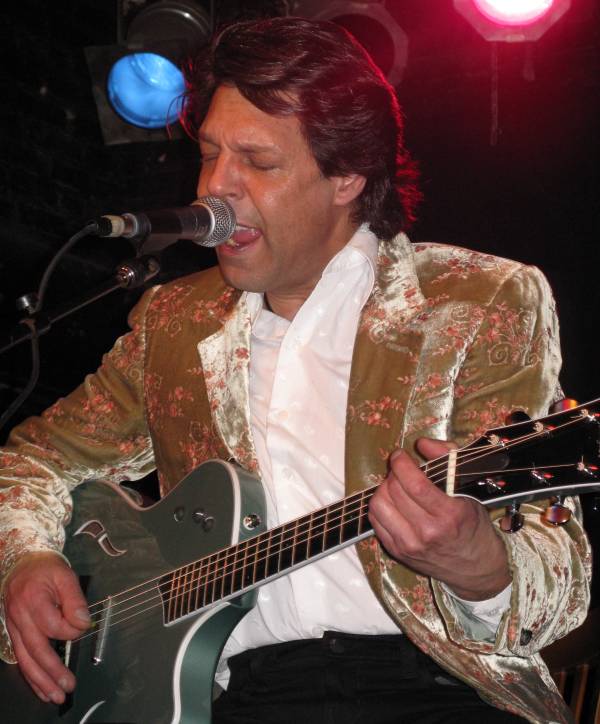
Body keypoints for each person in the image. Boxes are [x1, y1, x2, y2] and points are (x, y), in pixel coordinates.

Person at [0, 16, 591, 724]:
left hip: (434, 687)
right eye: (211, 152)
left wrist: (482, 567)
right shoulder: (175, 324)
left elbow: (559, 572)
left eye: (259, 161)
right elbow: (31, 460)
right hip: (230, 697)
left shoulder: (477, 302)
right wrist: (25, 560)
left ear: (347, 176)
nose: (216, 187)